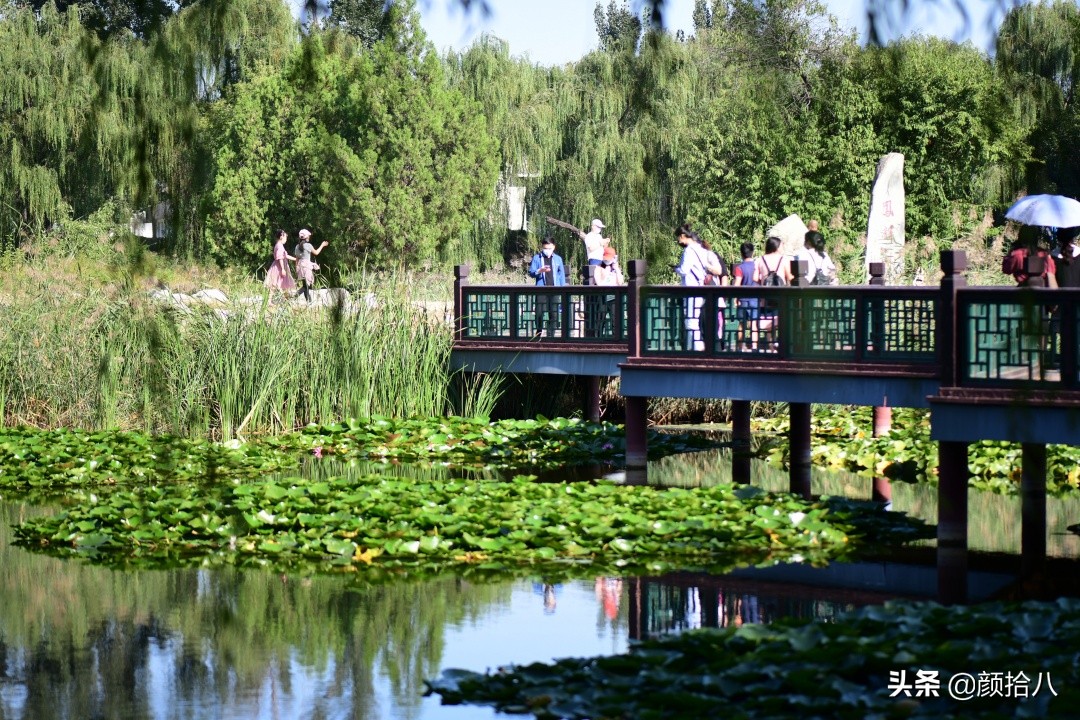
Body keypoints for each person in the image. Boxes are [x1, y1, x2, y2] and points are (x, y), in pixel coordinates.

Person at [754, 236, 793, 348]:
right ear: (776, 246)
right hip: (780, 295)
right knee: (781, 320)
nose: (782, 247)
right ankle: (782, 347)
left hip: (765, 295)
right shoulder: (784, 259)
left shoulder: (760, 259)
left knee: (768, 321)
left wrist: (765, 278)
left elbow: (755, 278)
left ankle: (771, 347)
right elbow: (789, 277)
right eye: (781, 245)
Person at [528, 237, 567, 337]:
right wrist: (539, 271)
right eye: (545, 248)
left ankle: (551, 334)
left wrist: (563, 289)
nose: (547, 250)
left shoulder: (558, 259)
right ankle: (539, 331)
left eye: (549, 248)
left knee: (554, 313)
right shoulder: (537, 258)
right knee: (539, 312)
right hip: (541, 289)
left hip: (555, 289)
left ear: (553, 247)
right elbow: (531, 273)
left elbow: (561, 275)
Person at [592, 245, 625, 337]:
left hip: (614, 295)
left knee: (615, 318)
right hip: (603, 295)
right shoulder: (599, 266)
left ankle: (617, 338)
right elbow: (598, 282)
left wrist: (617, 270)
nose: (607, 261)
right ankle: (598, 338)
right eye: (606, 258)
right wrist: (605, 274)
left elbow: (621, 282)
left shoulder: (615, 267)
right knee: (600, 318)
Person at [733, 241, 760, 350]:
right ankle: (754, 347)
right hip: (755, 299)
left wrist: (735, 299)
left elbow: (737, 285)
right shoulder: (756, 266)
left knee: (741, 324)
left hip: (743, 299)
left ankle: (740, 347)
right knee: (754, 324)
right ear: (752, 253)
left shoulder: (739, 268)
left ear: (741, 253)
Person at [293, 228, 329, 302]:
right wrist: (322, 245)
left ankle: (302, 299)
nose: (309, 237)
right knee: (306, 286)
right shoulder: (308, 245)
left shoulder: (297, 246)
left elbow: (297, 258)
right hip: (306, 266)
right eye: (308, 236)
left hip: (300, 266)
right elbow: (316, 252)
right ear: (306, 237)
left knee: (305, 285)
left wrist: (296, 267)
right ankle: (302, 299)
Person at [264, 229, 296, 296]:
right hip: (278, 267)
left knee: (283, 283)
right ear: (281, 237)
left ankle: (285, 299)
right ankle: (269, 301)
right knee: (274, 284)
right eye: (285, 237)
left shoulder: (279, 245)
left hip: (280, 266)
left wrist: (295, 259)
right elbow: (280, 258)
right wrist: (282, 269)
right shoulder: (279, 246)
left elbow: (285, 256)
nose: (286, 239)